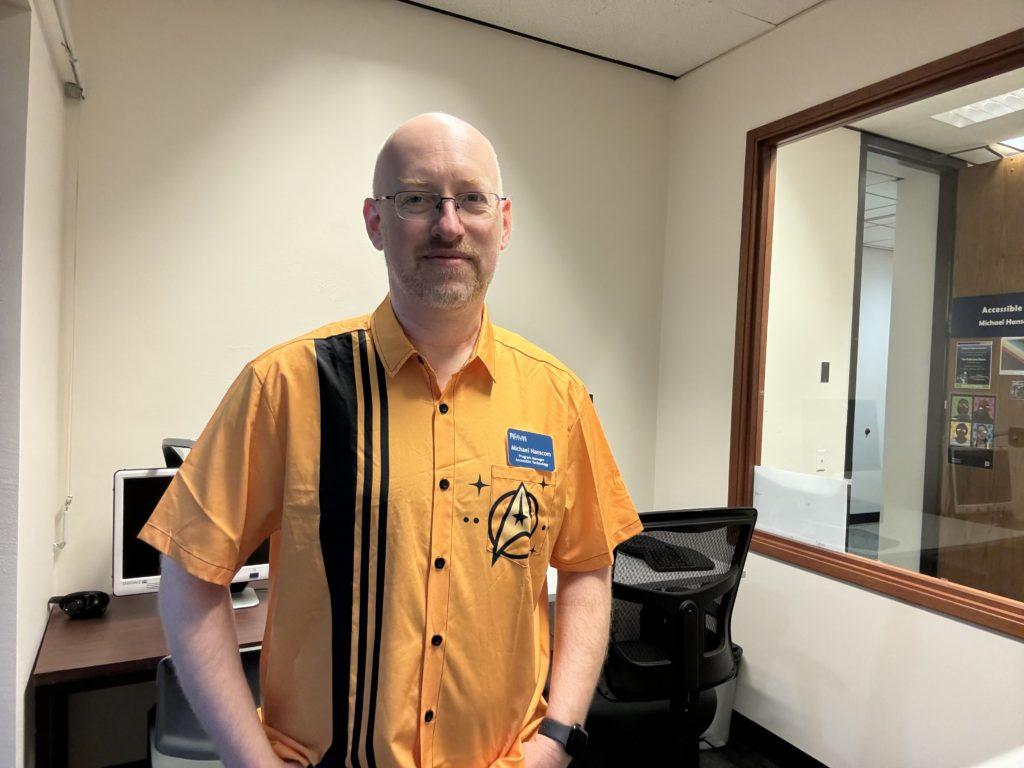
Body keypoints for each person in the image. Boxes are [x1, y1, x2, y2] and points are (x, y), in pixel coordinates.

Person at [141, 113, 642, 768]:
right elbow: (188, 576)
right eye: (417, 198)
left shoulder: (559, 398)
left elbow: (586, 568)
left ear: (505, 221)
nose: (449, 224)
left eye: (471, 198)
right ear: (376, 222)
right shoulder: (285, 387)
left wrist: (558, 737)